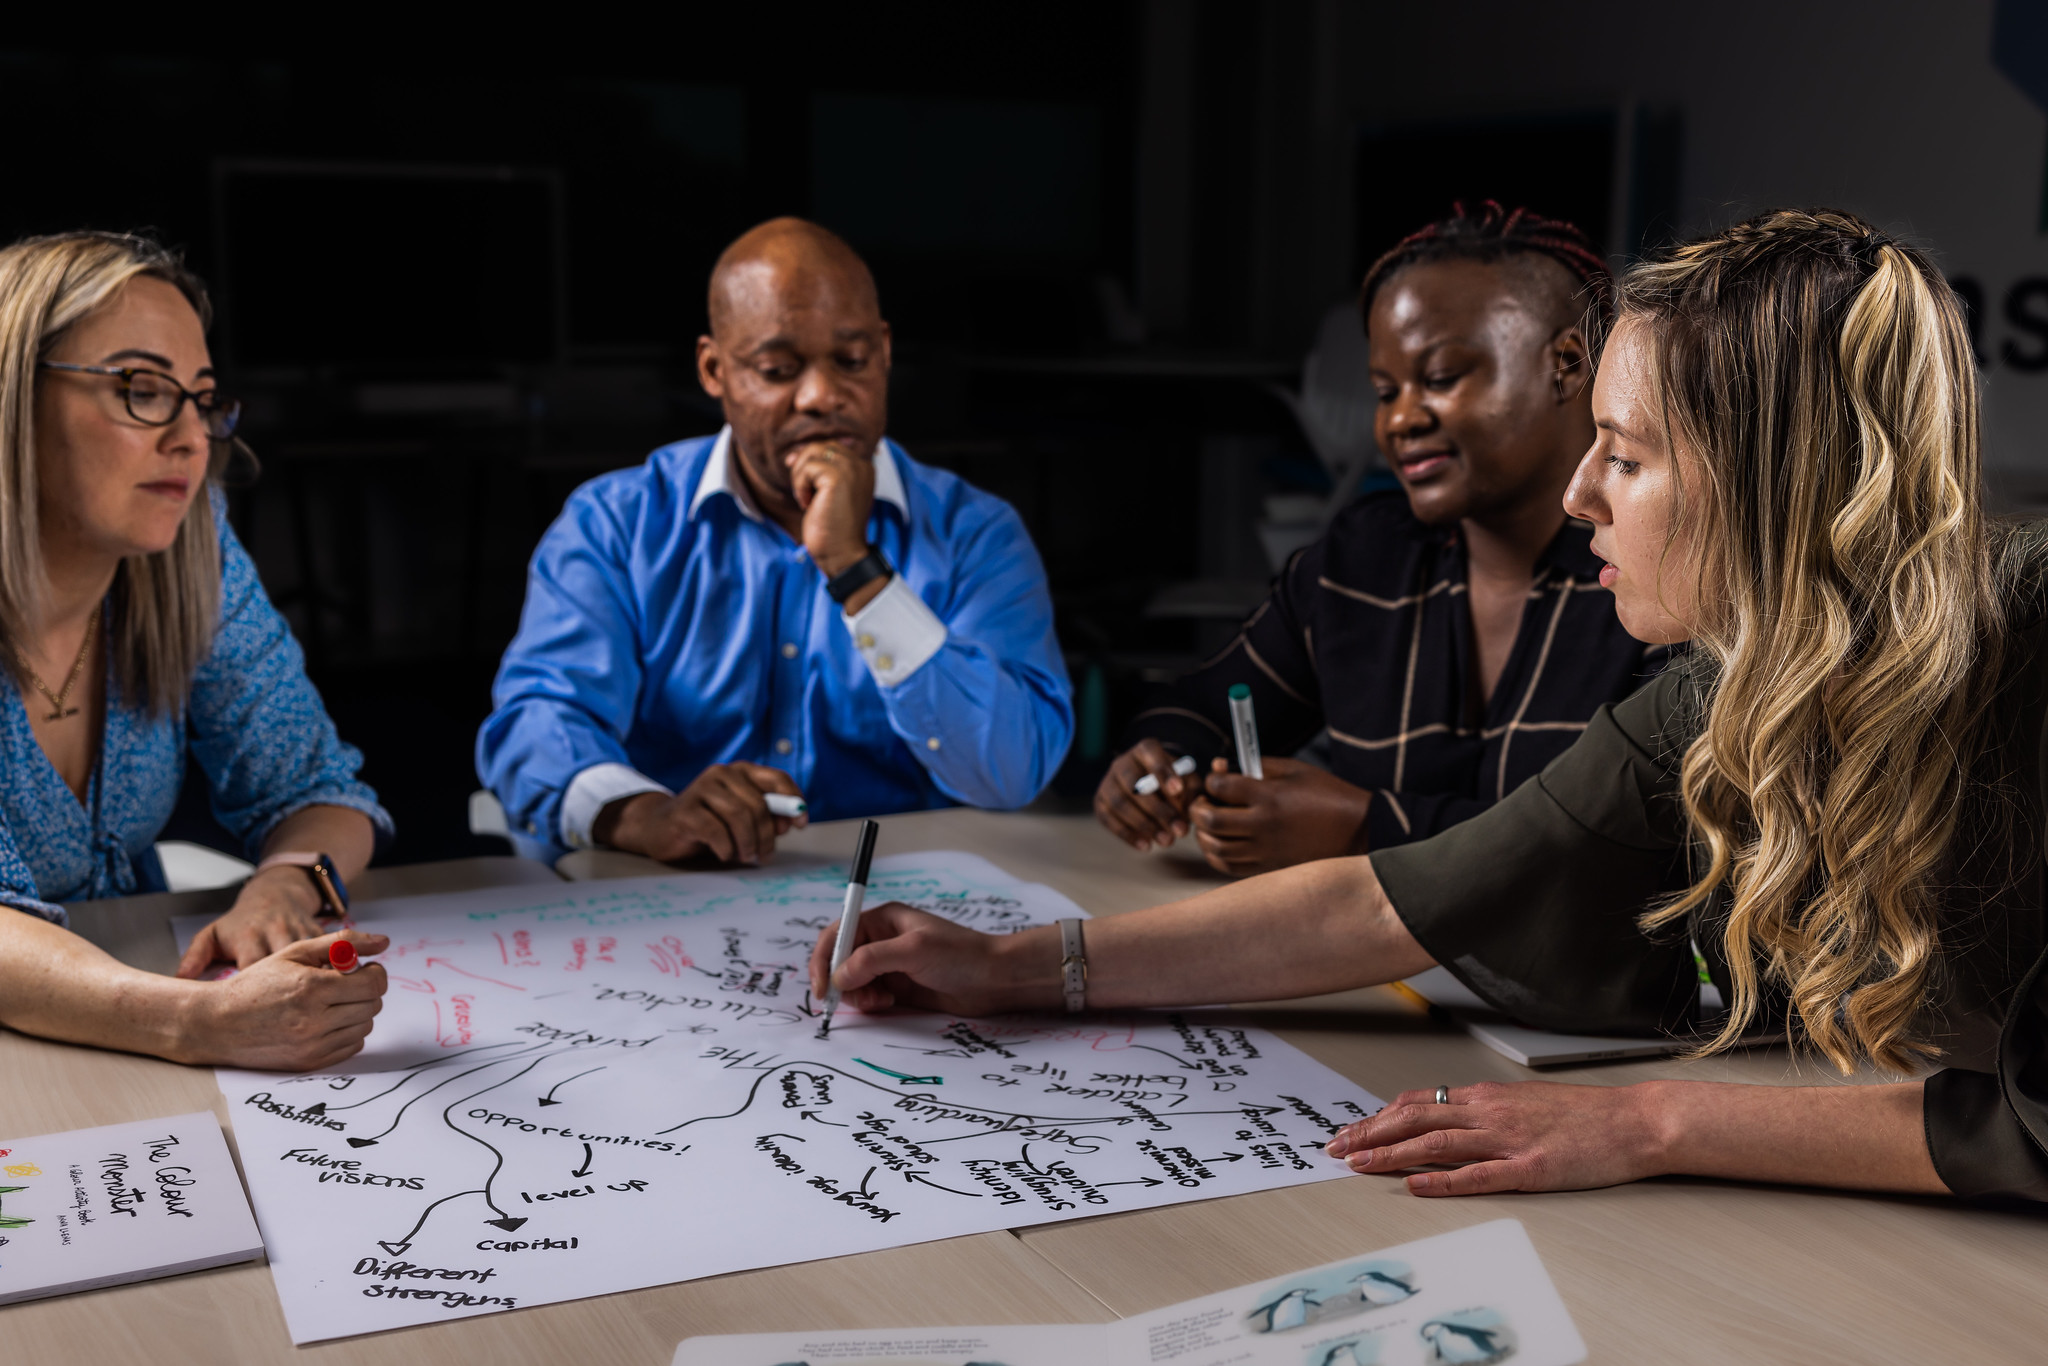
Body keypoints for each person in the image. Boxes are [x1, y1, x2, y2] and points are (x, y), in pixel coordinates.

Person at [813, 210, 2048, 1204]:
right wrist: (1014, 968)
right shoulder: (1726, 692)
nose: (1579, 494)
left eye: (1623, 454)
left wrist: (1651, 1117)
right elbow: (1400, 894)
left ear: (1772, 482)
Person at [479, 218, 1071, 865]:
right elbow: (535, 727)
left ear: (885, 351)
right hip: (670, 907)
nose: (821, 397)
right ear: (714, 370)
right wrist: (647, 815)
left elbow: (1014, 772)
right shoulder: (615, 524)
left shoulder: (974, 534)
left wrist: (859, 573)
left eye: (851, 362)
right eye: (778, 369)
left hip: (903, 911)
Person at [1097, 203, 1665, 878]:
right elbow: (1198, 708)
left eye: (1440, 379)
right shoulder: (1364, 561)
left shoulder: (1661, 577)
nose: (1398, 420)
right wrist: (1160, 764)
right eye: (1383, 390)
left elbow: (1634, 845)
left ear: (1567, 365)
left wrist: (1367, 826)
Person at [0, 231, 390, 1070]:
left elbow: (318, 789)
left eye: (202, 398)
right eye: (142, 389)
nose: (189, 437)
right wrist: (193, 1022)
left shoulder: (189, 545)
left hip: (116, 1021)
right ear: (11, 399)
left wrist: (285, 883)